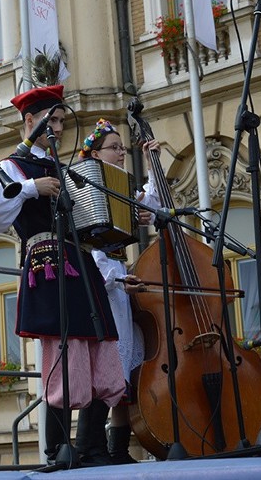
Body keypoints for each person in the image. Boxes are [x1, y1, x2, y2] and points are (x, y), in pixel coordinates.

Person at [0, 85, 125, 465]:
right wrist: (28, 189)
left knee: (97, 344)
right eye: (50, 120)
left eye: (59, 120)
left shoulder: (66, 167)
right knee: (63, 350)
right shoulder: (13, 166)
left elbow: (88, 219)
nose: (58, 127)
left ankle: (92, 446)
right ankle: (58, 448)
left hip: (81, 260)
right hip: (47, 261)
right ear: (30, 121)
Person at [78, 118, 161, 464]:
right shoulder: (88, 185)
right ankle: (90, 447)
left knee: (126, 367)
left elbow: (154, 205)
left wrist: (154, 163)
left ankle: (117, 448)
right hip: (102, 280)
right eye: (114, 148)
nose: (121, 153)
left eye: (123, 148)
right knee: (106, 365)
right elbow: (89, 246)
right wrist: (113, 278)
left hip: (120, 282)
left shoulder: (122, 185)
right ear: (95, 153)